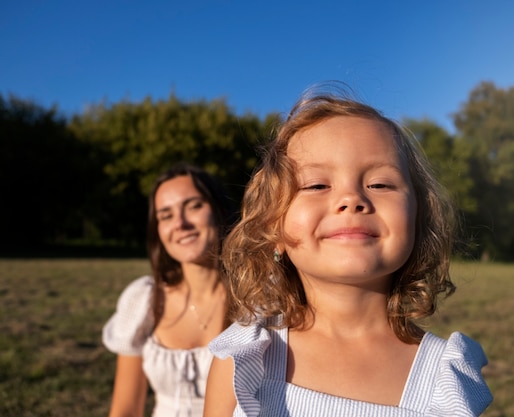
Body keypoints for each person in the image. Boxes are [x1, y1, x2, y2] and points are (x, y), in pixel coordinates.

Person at [203, 88, 493, 417]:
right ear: (273, 229)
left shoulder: (445, 380)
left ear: (419, 218)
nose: (351, 199)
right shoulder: (246, 357)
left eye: (380, 184)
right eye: (316, 185)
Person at [103, 162, 236, 417]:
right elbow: (125, 410)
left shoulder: (259, 302)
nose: (180, 224)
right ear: (158, 231)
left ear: (218, 211)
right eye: (166, 215)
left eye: (194, 206)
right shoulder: (143, 300)